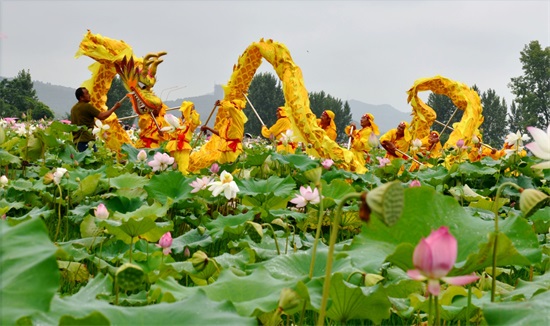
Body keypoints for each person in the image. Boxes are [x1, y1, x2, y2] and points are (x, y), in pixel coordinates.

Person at [70, 87, 121, 152]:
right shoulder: (87, 106)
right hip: (87, 141)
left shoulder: (73, 109)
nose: (89, 95)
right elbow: (102, 116)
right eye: (87, 93)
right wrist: (114, 108)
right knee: (94, 160)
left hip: (76, 142)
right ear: (81, 97)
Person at [165, 101, 201, 174]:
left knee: (183, 168)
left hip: (184, 146)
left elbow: (196, 122)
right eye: (185, 110)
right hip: (173, 145)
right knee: (171, 166)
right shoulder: (176, 120)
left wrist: (193, 111)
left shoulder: (190, 123)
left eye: (187, 110)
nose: (185, 112)